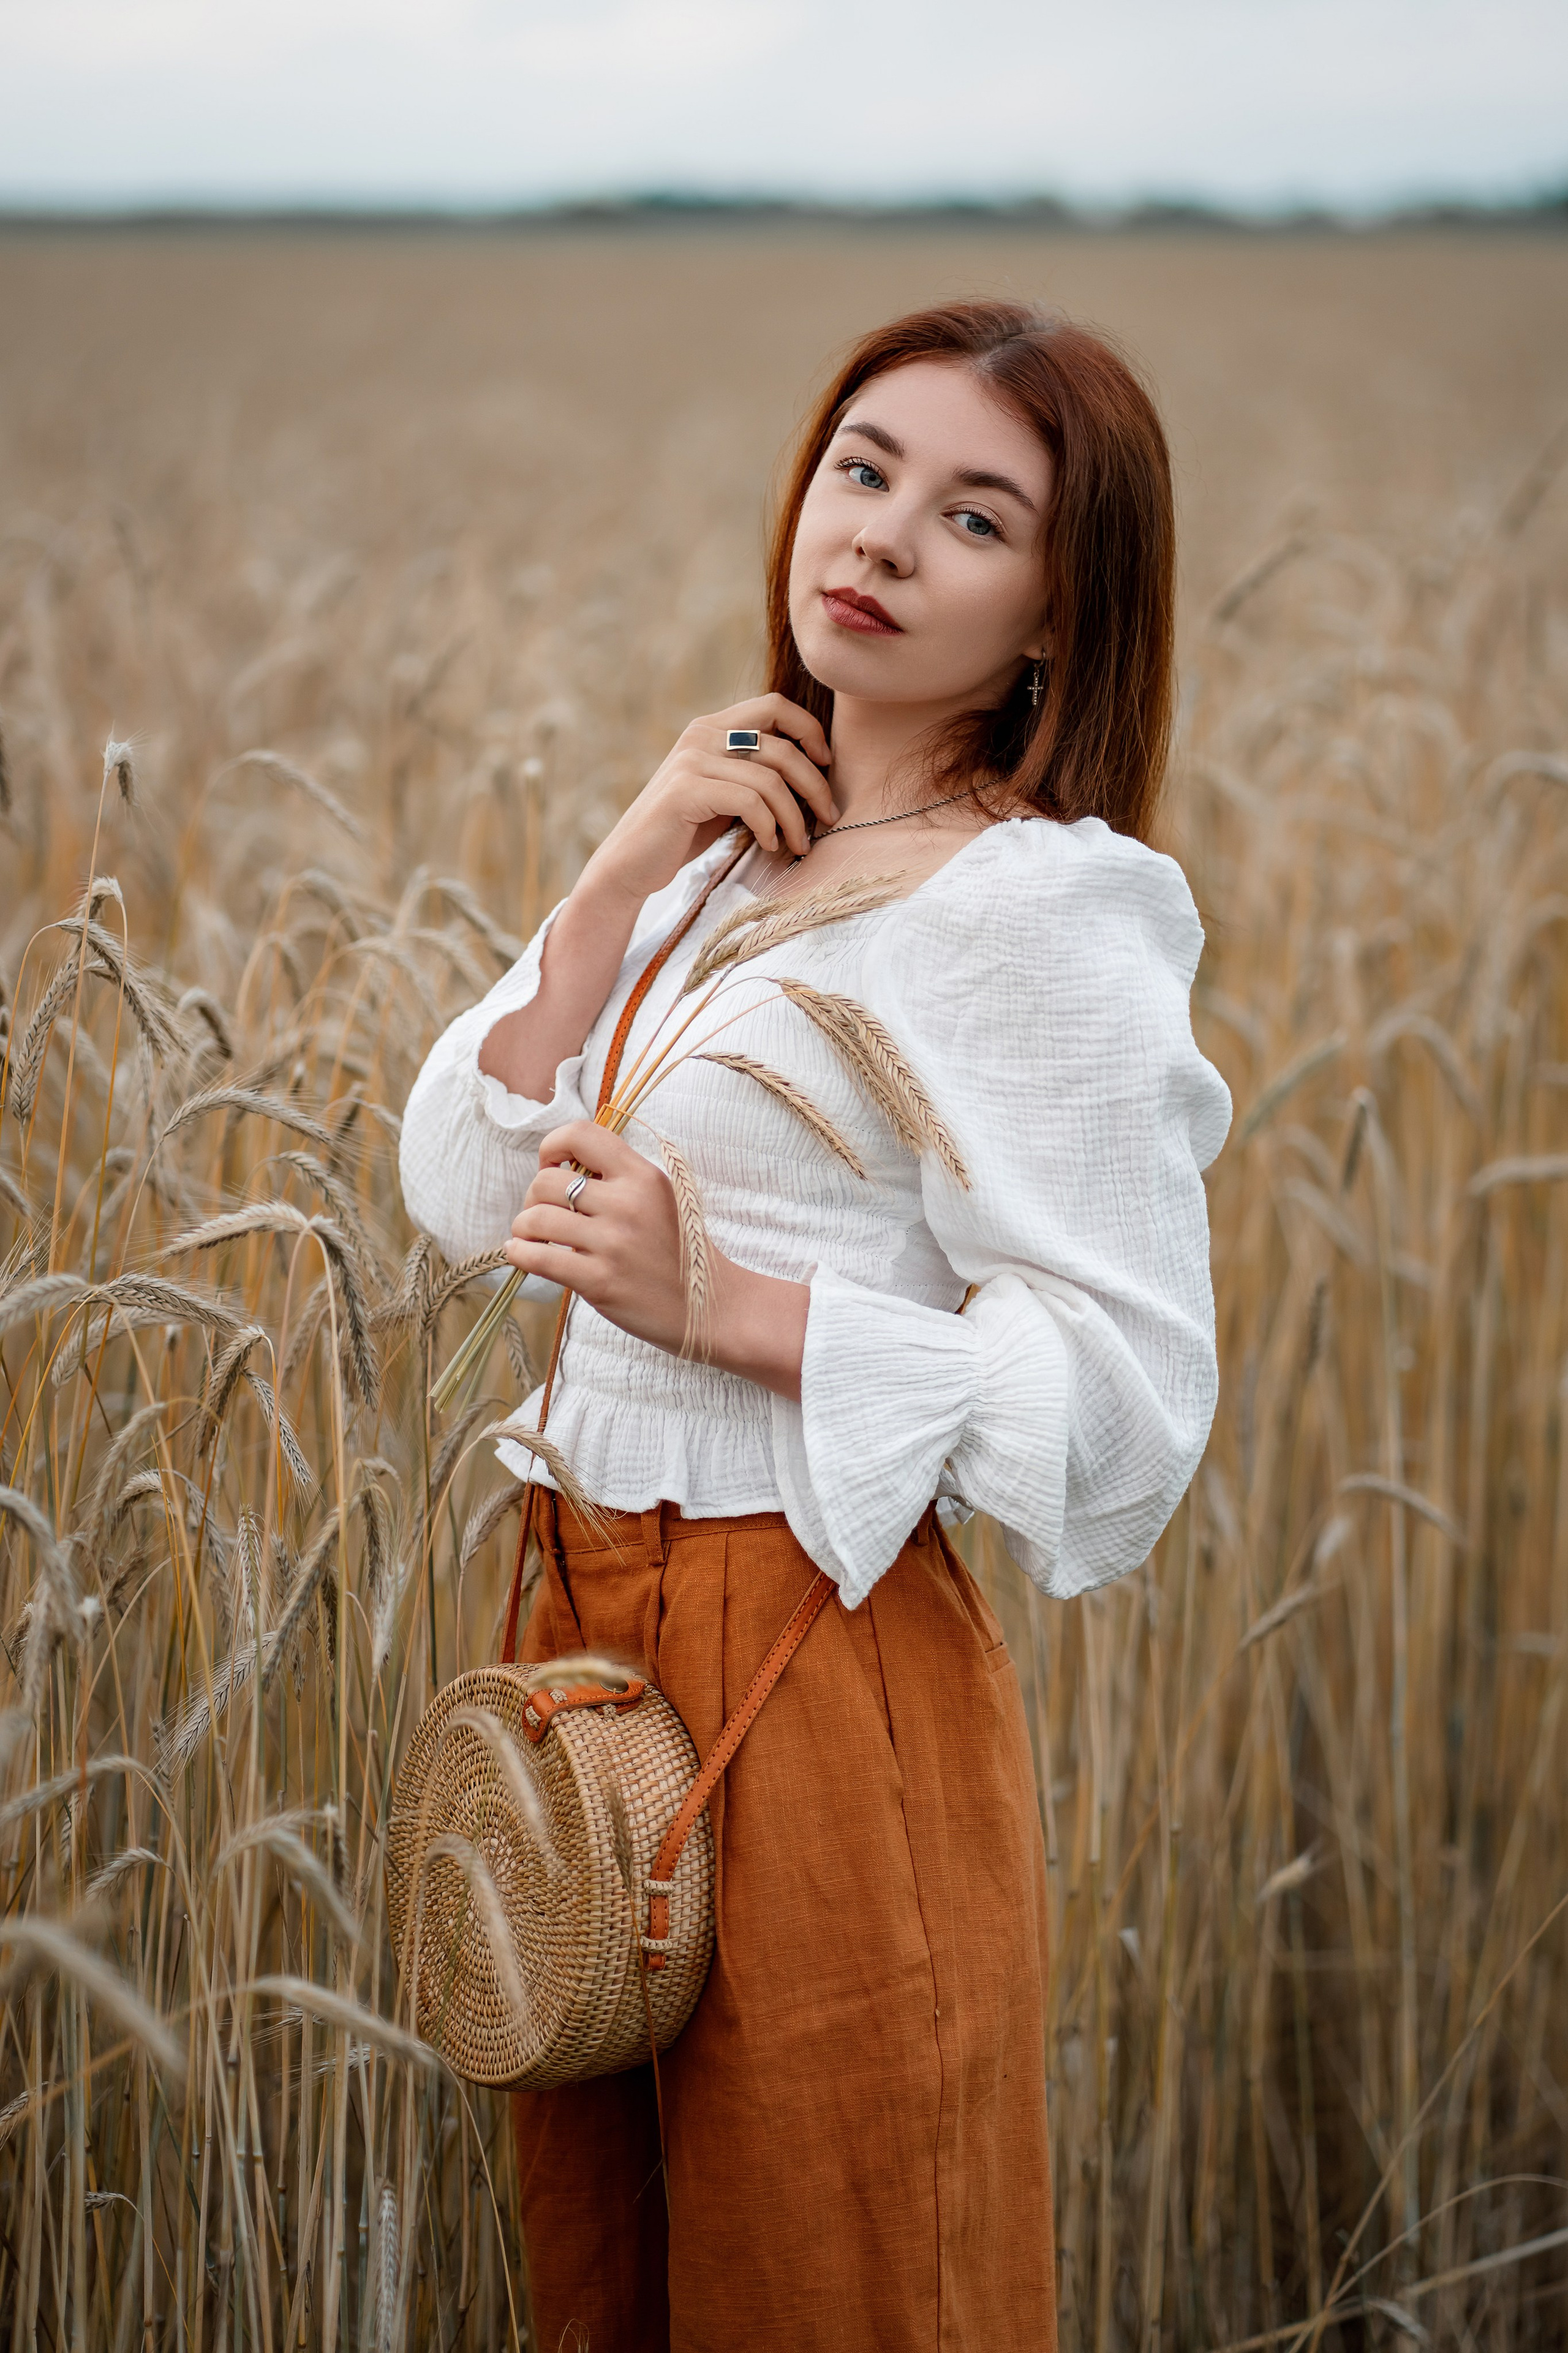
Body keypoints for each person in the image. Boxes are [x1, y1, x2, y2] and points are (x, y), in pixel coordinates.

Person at [399, 298, 1231, 2353]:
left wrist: (734, 1306)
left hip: (812, 1655)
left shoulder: (1039, 911)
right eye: (863, 470)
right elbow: (457, 1187)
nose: (879, 536)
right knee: (613, 2286)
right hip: (582, 1642)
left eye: (974, 516)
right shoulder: (726, 853)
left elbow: (1129, 1410)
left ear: (1058, 610)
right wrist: (612, 876)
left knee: (843, 2286)